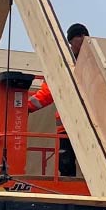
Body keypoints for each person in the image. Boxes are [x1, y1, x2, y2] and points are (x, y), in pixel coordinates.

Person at [25, 23, 89, 178]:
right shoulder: (63, 64)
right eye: (78, 36)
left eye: (84, 36)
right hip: (67, 125)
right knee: (66, 163)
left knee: (94, 163)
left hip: (89, 124)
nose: (82, 39)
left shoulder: (92, 63)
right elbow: (48, 91)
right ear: (71, 40)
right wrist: (25, 107)